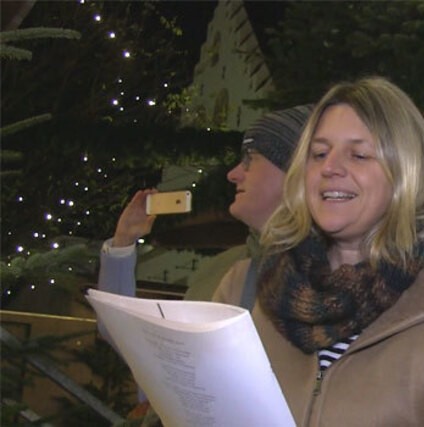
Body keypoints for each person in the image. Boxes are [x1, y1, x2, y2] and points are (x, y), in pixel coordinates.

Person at [240, 76, 424, 426]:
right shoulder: (262, 286)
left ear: (406, 173)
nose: (329, 168)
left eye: (358, 155)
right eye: (319, 154)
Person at [96, 104, 312, 422]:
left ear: (293, 172)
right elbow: (135, 346)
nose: (233, 174)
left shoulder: (334, 281)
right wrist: (123, 243)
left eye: (250, 161)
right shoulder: (222, 269)